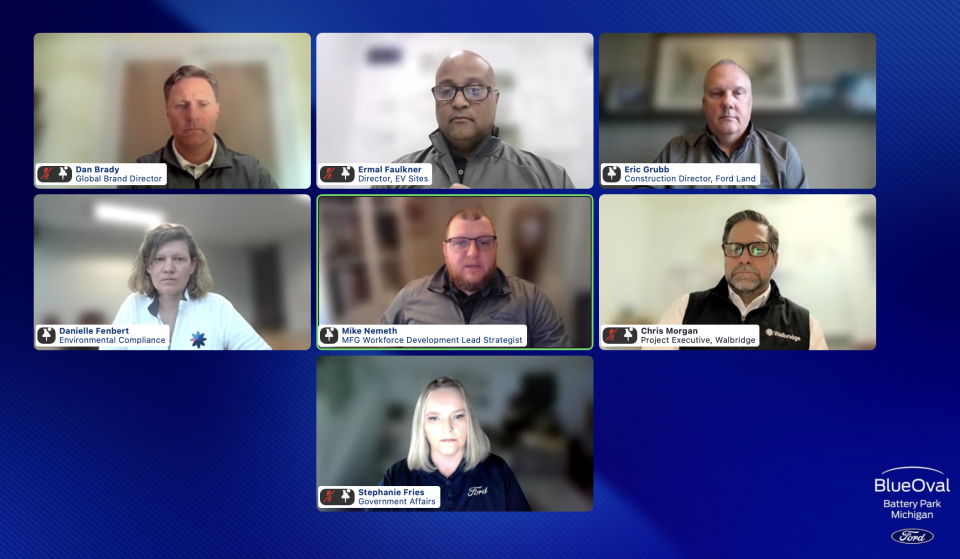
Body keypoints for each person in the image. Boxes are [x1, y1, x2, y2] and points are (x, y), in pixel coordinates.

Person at [378, 50, 573, 189]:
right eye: (446, 91)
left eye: (474, 90)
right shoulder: (394, 178)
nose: (459, 102)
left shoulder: (551, 179)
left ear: (495, 99)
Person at [380, 208, 571, 348]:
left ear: (495, 247)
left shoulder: (532, 301)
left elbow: (561, 366)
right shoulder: (409, 298)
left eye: (484, 242)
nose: (473, 252)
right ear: (445, 249)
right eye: (460, 243)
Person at [647, 210, 827, 350]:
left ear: (775, 260)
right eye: (735, 248)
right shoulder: (684, 310)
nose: (744, 259)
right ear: (725, 255)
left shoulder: (806, 325)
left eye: (758, 249)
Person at [641, 59, 808, 189]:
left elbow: (800, 214)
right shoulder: (676, 152)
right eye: (717, 93)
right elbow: (641, 203)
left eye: (738, 93)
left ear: (750, 102)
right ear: (704, 104)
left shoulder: (783, 153)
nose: (728, 102)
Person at [101, 223, 271, 350]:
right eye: (159, 259)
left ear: (192, 265)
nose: (168, 268)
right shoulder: (132, 307)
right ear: (148, 265)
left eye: (179, 259)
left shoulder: (218, 308)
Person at [375, 377, 531, 511]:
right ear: (422, 426)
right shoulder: (397, 477)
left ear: (469, 422)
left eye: (457, 416)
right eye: (435, 418)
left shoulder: (497, 470)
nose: (448, 428)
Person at [125, 65, 279, 189]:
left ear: (217, 109)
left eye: (203, 104)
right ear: (167, 112)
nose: (192, 115)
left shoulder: (252, 172)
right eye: (181, 105)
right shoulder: (140, 173)